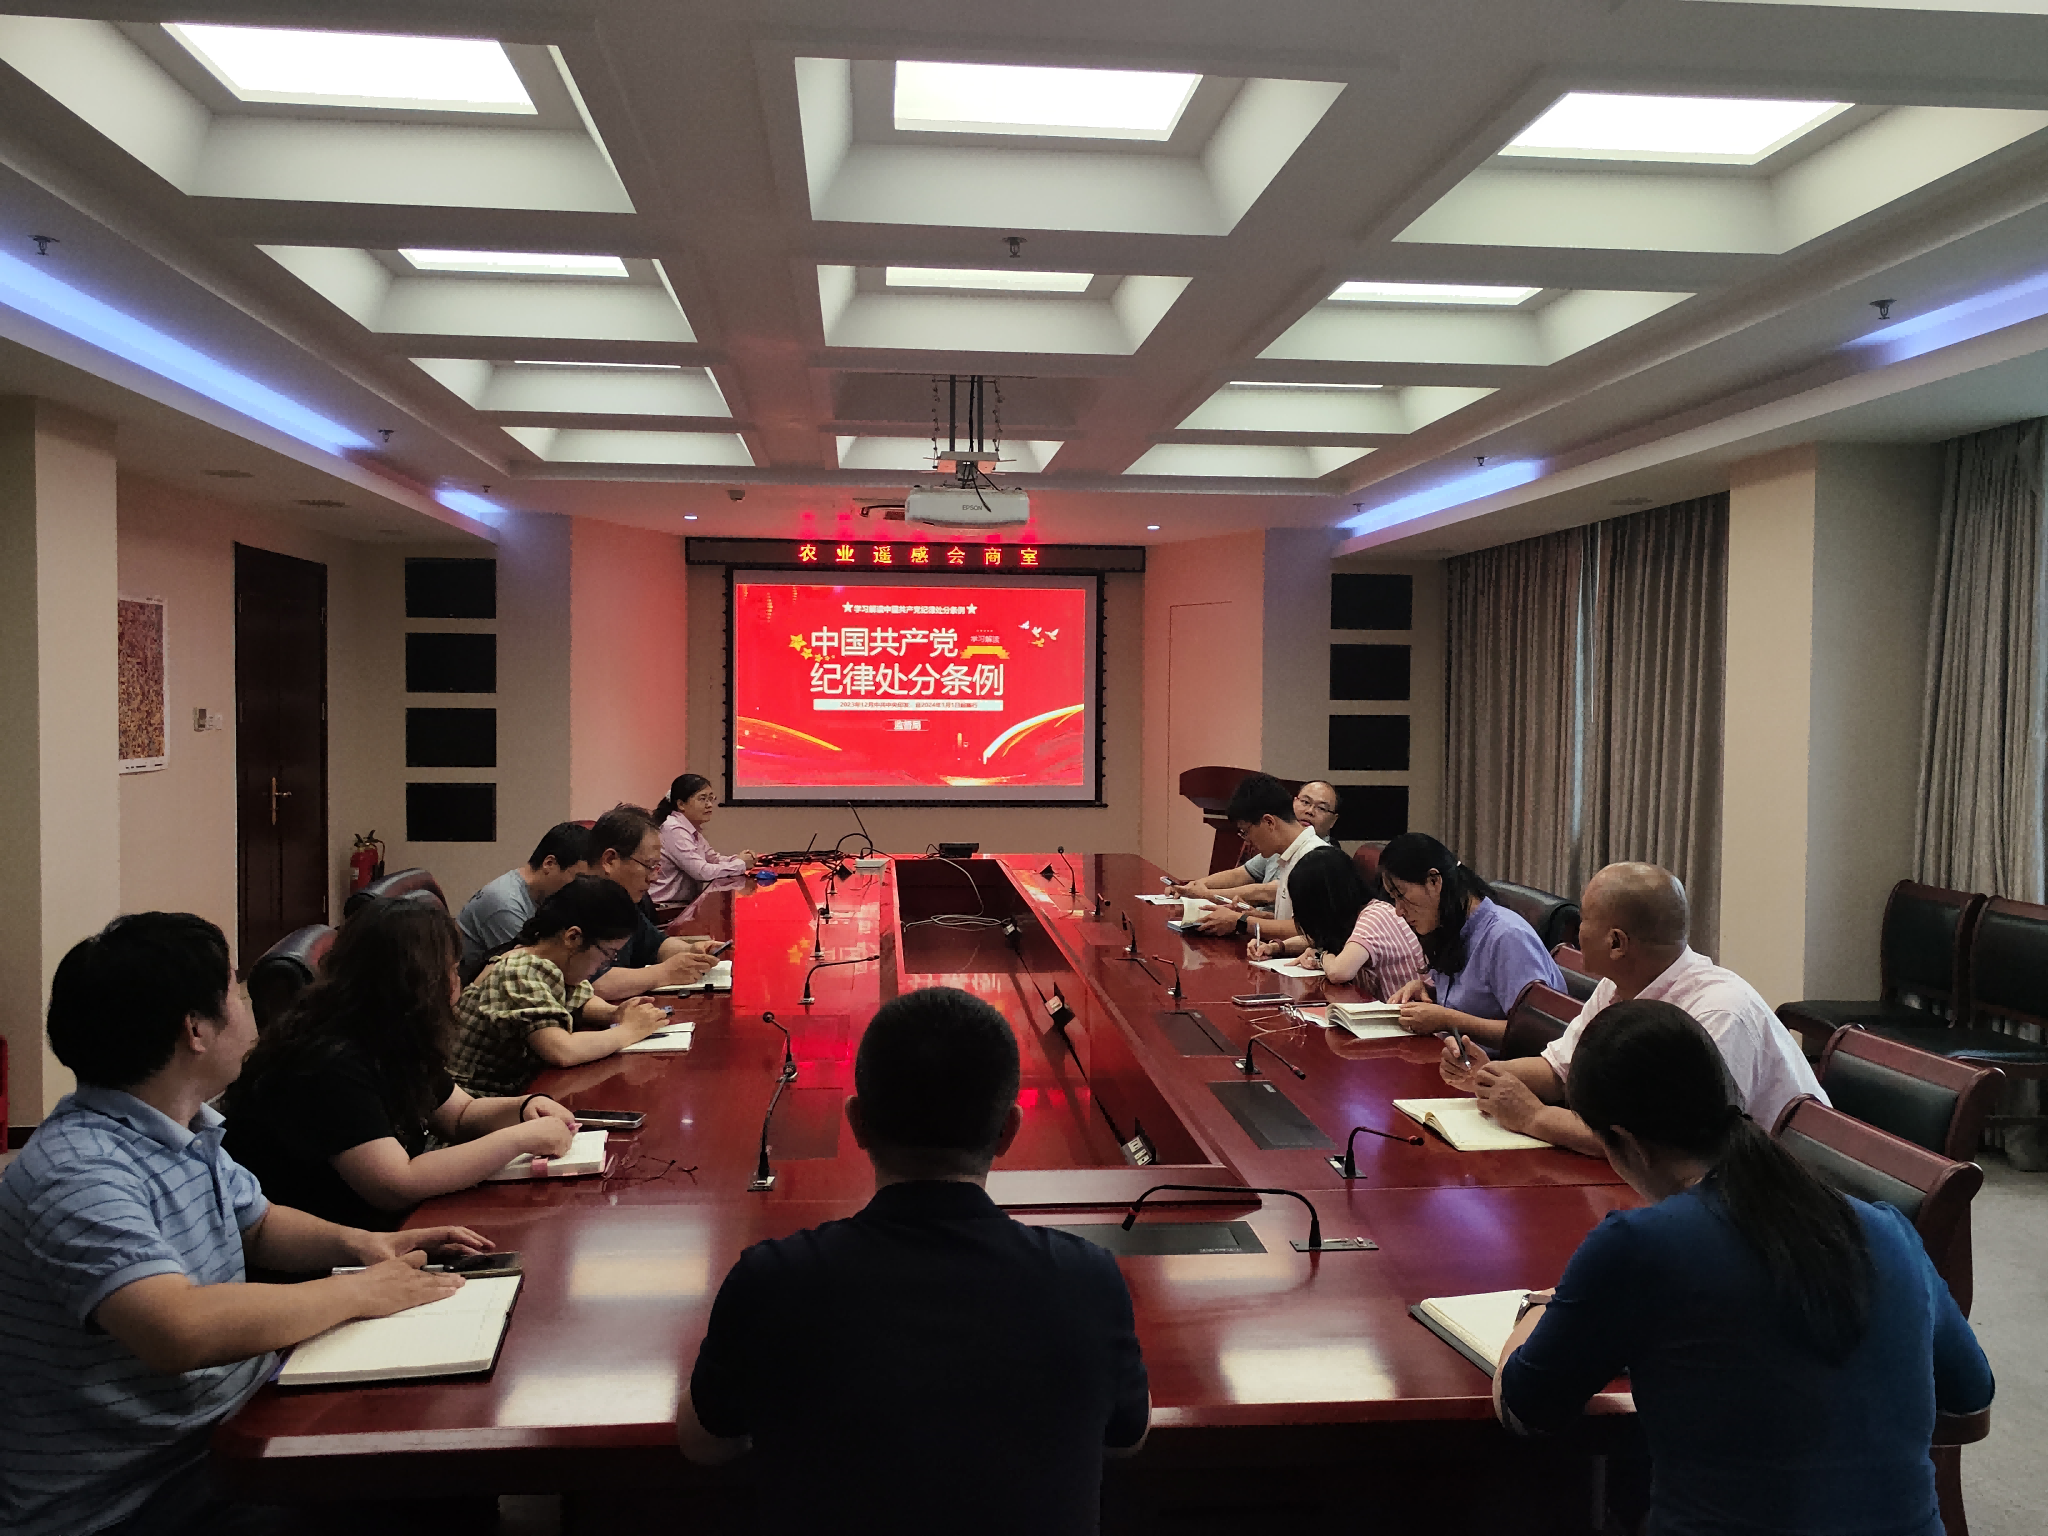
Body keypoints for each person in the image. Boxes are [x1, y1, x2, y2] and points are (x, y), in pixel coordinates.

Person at [0, 913, 487, 1536]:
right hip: (134, 1498)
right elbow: (177, 1328)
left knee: (443, 1465)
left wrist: (368, 1245)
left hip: (223, 1427)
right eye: (233, 989)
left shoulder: (183, 1130)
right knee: (423, 1487)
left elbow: (258, 1225)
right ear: (195, 1030)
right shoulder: (77, 1172)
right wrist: (360, 1291)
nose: (248, 1007)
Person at [1493, 999, 1992, 1536]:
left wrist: (1536, 1309)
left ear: (1628, 1142)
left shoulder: (1638, 1246)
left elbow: (1526, 1409)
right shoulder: (1887, 1228)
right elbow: (1970, 1396)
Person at [678, 986, 1150, 1534]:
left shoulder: (770, 1282)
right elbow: (1126, 1440)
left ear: (856, 1122)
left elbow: (703, 1444)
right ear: (1009, 1131)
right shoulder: (1088, 1281)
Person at [224, 898, 580, 1230]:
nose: (458, 982)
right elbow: (395, 1184)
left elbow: (459, 1115)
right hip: (335, 1244)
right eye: (451, 971)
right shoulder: (327, 1059)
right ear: (419, 983)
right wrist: (520, 1139)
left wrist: (525, 1107)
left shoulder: (391, 1029)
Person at [1442, 862, 1826, 1155]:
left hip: (1769, 1203)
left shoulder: (1718, 1014)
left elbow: (1666, 1147)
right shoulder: (1618, 985)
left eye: (1584, 920)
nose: (1575, 932)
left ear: (1616, 943)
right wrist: (1489, 1075)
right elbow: (1561, 1070)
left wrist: (1534, 1116)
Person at [450, 875, 675, 1099]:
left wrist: (616, 1013)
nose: (605, 964)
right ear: (573, 937)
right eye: (608, 954)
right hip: (475, 1102)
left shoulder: (555, 964)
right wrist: (627, 1031)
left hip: (515, 1094)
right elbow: (562, 1050)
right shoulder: (519, 970)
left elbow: (581, 1001)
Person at [1380, 832, 1563, 1049]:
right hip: (1456, 1058)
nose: (1398, 911)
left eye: (1401, 895)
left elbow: (1537, 1036)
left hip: (1498, 1066)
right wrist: (1429, 992)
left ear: (1434, 881)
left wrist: (1447, 1020)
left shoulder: (1507, 936)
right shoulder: (1450, 925)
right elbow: (1478, 1001)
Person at [1248, 845, 1426, 996]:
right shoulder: (1358, 914)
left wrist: (1320, 956)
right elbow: (1315, 940)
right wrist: (1276, 947)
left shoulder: (1375, 917)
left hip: (1407, 1020)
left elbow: (1338, 972)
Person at [586, 804, 719, 1000]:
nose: (654, 878)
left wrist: (692, 951)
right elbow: (593, 984)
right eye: (649, 865)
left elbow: (656, 945)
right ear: (610, 860)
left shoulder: (622, 902)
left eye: (657, 866)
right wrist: (664, 973)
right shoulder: (576, 904)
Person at [1171, 781, 1341, 927]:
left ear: (1269, 822)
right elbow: (1242, 875)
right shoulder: (1285, 848)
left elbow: (1307, 932)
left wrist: (1241, 921)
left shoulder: (1318, 858)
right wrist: (1256, 916)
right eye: (1305, 802)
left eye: (1321, 808)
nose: (1310, 811)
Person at [455, 822, 594, 983]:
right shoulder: (505, 904)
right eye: (577, 878)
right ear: (549, 864)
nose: (578, 887)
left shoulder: (539, 896)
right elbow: (529, 972)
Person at [650, 773, 759, 907]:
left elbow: (713, 859)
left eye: (711, 799)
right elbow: (702, 872)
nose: (709, 805)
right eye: (702, 799)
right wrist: (740, 864)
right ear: (681, 804)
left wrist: (740, 859)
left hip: (682, 904)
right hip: (666, 907)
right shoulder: (673, 829)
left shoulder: (689, 827)